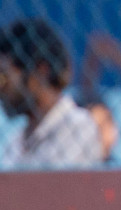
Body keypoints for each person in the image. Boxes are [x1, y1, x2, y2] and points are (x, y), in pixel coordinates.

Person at [0, 18, 104, 168]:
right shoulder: (16, 141)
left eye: (3, 77)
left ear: (41, 72)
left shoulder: (77, 128)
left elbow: (51, 190)